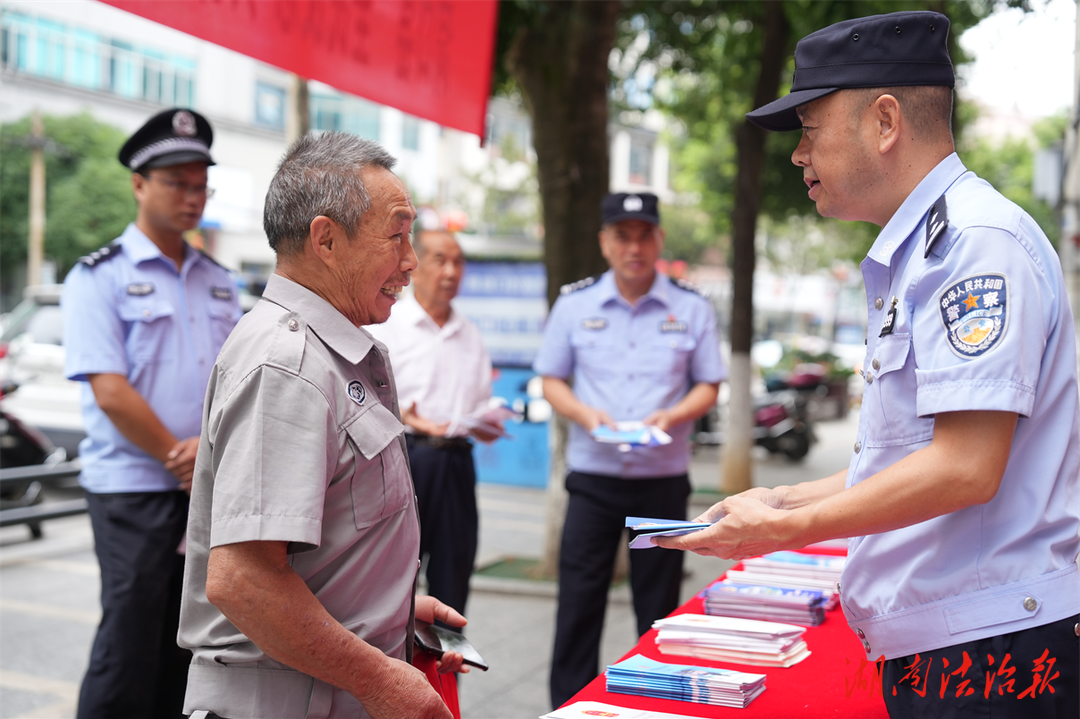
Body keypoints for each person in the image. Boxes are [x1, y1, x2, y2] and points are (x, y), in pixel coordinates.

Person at [659, 11, 1079, 718]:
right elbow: (913, 453)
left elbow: (965, 465)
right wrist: (787, 498)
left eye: (810, 129)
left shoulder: (972, 245)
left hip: (990, 648)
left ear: (885, 121)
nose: (798, 155)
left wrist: (784, 529)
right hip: (957, 638)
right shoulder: (928, 250)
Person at [178, 132, 466, 719]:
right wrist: (381, 678)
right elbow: (244, 581)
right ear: (326, 239)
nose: (410, 261)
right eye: (397, 235)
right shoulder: (289, 365)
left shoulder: (332, 353)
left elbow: (319, 542)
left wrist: (390, 609)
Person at [62, 108, 241, 719]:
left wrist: (207, 458)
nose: (192, 197)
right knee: (129, 646)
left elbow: (236, 382)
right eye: (177, 183)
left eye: (201, 185)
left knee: (191, 648)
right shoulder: (98, 278)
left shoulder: (220, 280)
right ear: (139, 184)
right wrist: (179, 455)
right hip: (135, 491)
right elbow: (109, 389)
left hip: (204, 491)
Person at [534, 192, 727, 707]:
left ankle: (655, 709)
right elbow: (550, 379)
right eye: (623, 235)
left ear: (660, 239)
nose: (634, 246)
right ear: (604, 242)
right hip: (592, 483)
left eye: (645, 234)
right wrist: (584, 414)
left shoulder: (691, 306)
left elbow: (709, 384)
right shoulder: (575, 305)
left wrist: (674, 414)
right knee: (578, 606)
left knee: (658, 611)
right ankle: (569, 709)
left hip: (661, 485)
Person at [367, 229, 501, 624]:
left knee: (454, 574)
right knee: (392, 576)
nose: (451, 271)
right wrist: (405, 415)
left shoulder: (470, 333)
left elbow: (477, 405)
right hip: (406, 458)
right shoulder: (387, 325)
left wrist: (487, 423)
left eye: (458, 261)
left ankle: (445, 672)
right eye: (441, 259)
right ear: (415, 263)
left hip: (458, 461)